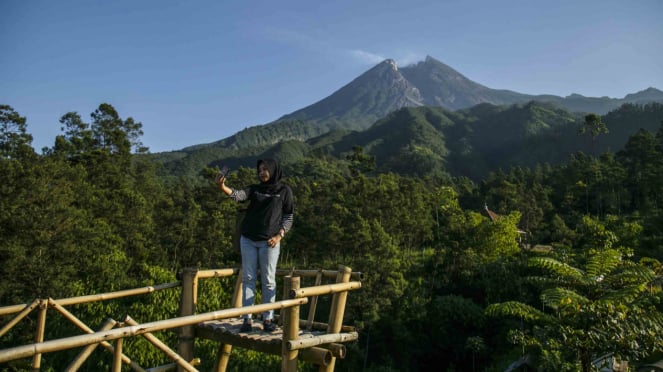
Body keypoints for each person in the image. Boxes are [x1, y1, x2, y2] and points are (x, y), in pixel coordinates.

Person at [216, 159, 294, 332]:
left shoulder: (284, 191)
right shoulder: (255, 188)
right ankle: (247, 320)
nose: (262, 172)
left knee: (268, 280)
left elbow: (288, 217)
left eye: (266, 169)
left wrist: (279, 236)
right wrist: (222, 187)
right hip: (248, 239)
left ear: (274, 170)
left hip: (270, 242)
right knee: (248, 279)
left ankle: (268, 319)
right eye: (260, 169)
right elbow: (238, 195)